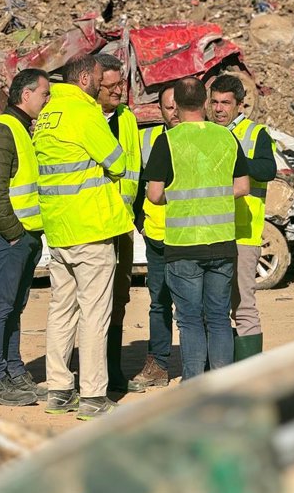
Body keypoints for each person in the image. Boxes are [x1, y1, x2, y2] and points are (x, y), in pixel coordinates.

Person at [33, 54, 131, 420]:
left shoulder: (48, 114)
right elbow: (117, 162)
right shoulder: (84, 111)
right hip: (91, 227)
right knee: (94, 314)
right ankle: (93, 395)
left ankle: (59, 390)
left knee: (62, 310)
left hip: (60, 228)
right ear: (86, 79)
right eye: (96, 79)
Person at [144, 77, 250, 381]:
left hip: (183, 246)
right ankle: (223, 385)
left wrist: (178, 195)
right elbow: (242, 186)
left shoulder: (168, 141)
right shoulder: (227, 137)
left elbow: (153, 194)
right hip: (221, 243)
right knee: (218, 318)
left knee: (189, 320)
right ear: (205, 102)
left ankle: (194, 385)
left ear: (175, 105)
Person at [0, 68, 51, 406]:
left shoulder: (21, 130)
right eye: (44, 94)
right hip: (9, 238)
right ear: (26, 95)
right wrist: (14, 235)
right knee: (1, 308)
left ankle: (14, 371)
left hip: (23, 238)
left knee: (14, 308)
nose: (47, 100)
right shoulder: (2, 131)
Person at [209, 74, 277, 361]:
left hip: (243, 234)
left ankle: (249, 370)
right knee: (213, 306)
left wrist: (232, 161)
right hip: (210, 232)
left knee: (243, 305)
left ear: (240, 105)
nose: (219, 109)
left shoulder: (256, 134)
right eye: (214, 102)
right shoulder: (205, 132)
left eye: (226, 103)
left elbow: (266, 171)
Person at [92, 53, 143, 393]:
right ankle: (87, 376)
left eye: (120, 85)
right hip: (92, 225)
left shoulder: (127, 118)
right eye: (110, 86)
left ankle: (113, 373)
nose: (117, 92)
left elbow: (133, 167)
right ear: (95, 85)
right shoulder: (84, 118)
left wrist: (135, 217)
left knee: (119, 301)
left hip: (121, 223)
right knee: (91, 305)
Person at [130, 83, 180, 388]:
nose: (174, 112)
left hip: (193, 236)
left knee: (196, 305)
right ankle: (159, 364)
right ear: (159, 110)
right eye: (168, 106)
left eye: (178, 105)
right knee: (159, 302)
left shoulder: (200, 139)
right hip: (158, 237)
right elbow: (136, 182)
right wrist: (141, 221)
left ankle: (199, 366)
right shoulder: (147, 140)